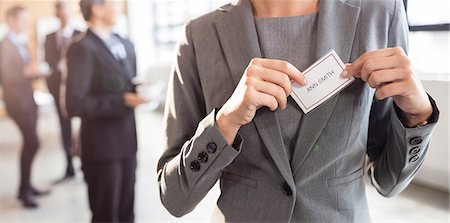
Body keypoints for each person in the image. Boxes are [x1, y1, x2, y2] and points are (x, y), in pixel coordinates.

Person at [157, 0, 440, 222]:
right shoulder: (199, 36)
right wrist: (227, 120)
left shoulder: (379, 15)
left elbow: (388, 181)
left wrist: (417, 115)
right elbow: (175, 197)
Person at [65, 0, 145, 222]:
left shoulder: (125, 43)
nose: (119, 6)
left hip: (127, 142)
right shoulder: (81, 48)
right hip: (101, 148)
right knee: (106, 214)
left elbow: (126, 82)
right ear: (97, 8)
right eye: (114, 2)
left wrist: (138, 90)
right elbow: (74, 103)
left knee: (127, 212)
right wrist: (121, 101)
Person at [0, 6, 50, 208]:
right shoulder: (5, 46)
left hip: (28, 99)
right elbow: (7, 77)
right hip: (18, 103)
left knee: (32, 142)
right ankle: (24, 190)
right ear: (11, 20)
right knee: (32, 142)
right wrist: (29, 73)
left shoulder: (19, 44)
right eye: (21, 20)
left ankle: (27, 186)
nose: (25, 23)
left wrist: (35, 73)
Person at [44, 0, 80, 183]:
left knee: (82, 128)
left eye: (65, 11)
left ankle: (84, 161)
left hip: (79, 91)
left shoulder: (80, 34)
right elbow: (49, 66)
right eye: (59, 12)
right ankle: (69, 166)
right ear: (56, 15)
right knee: (64, 128)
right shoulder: (49, 37)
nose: (63, 15)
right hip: (59, 91)